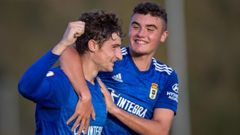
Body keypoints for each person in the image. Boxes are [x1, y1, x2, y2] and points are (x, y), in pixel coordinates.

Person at [61, 2, 179, 135]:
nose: (141, 34)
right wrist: (85, 95)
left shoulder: (167, 76)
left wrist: (114, 109)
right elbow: (66, 52)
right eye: (136, 26)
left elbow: (161, 131)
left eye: (150, 29)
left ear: (163, 36)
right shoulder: (110, 56)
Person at [18, 10, 123, 135]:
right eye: (114, 47)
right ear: (93, 46)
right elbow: (26, 88)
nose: (120, 55)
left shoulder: (101, 90)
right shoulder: (62, 82)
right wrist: (63, 44)